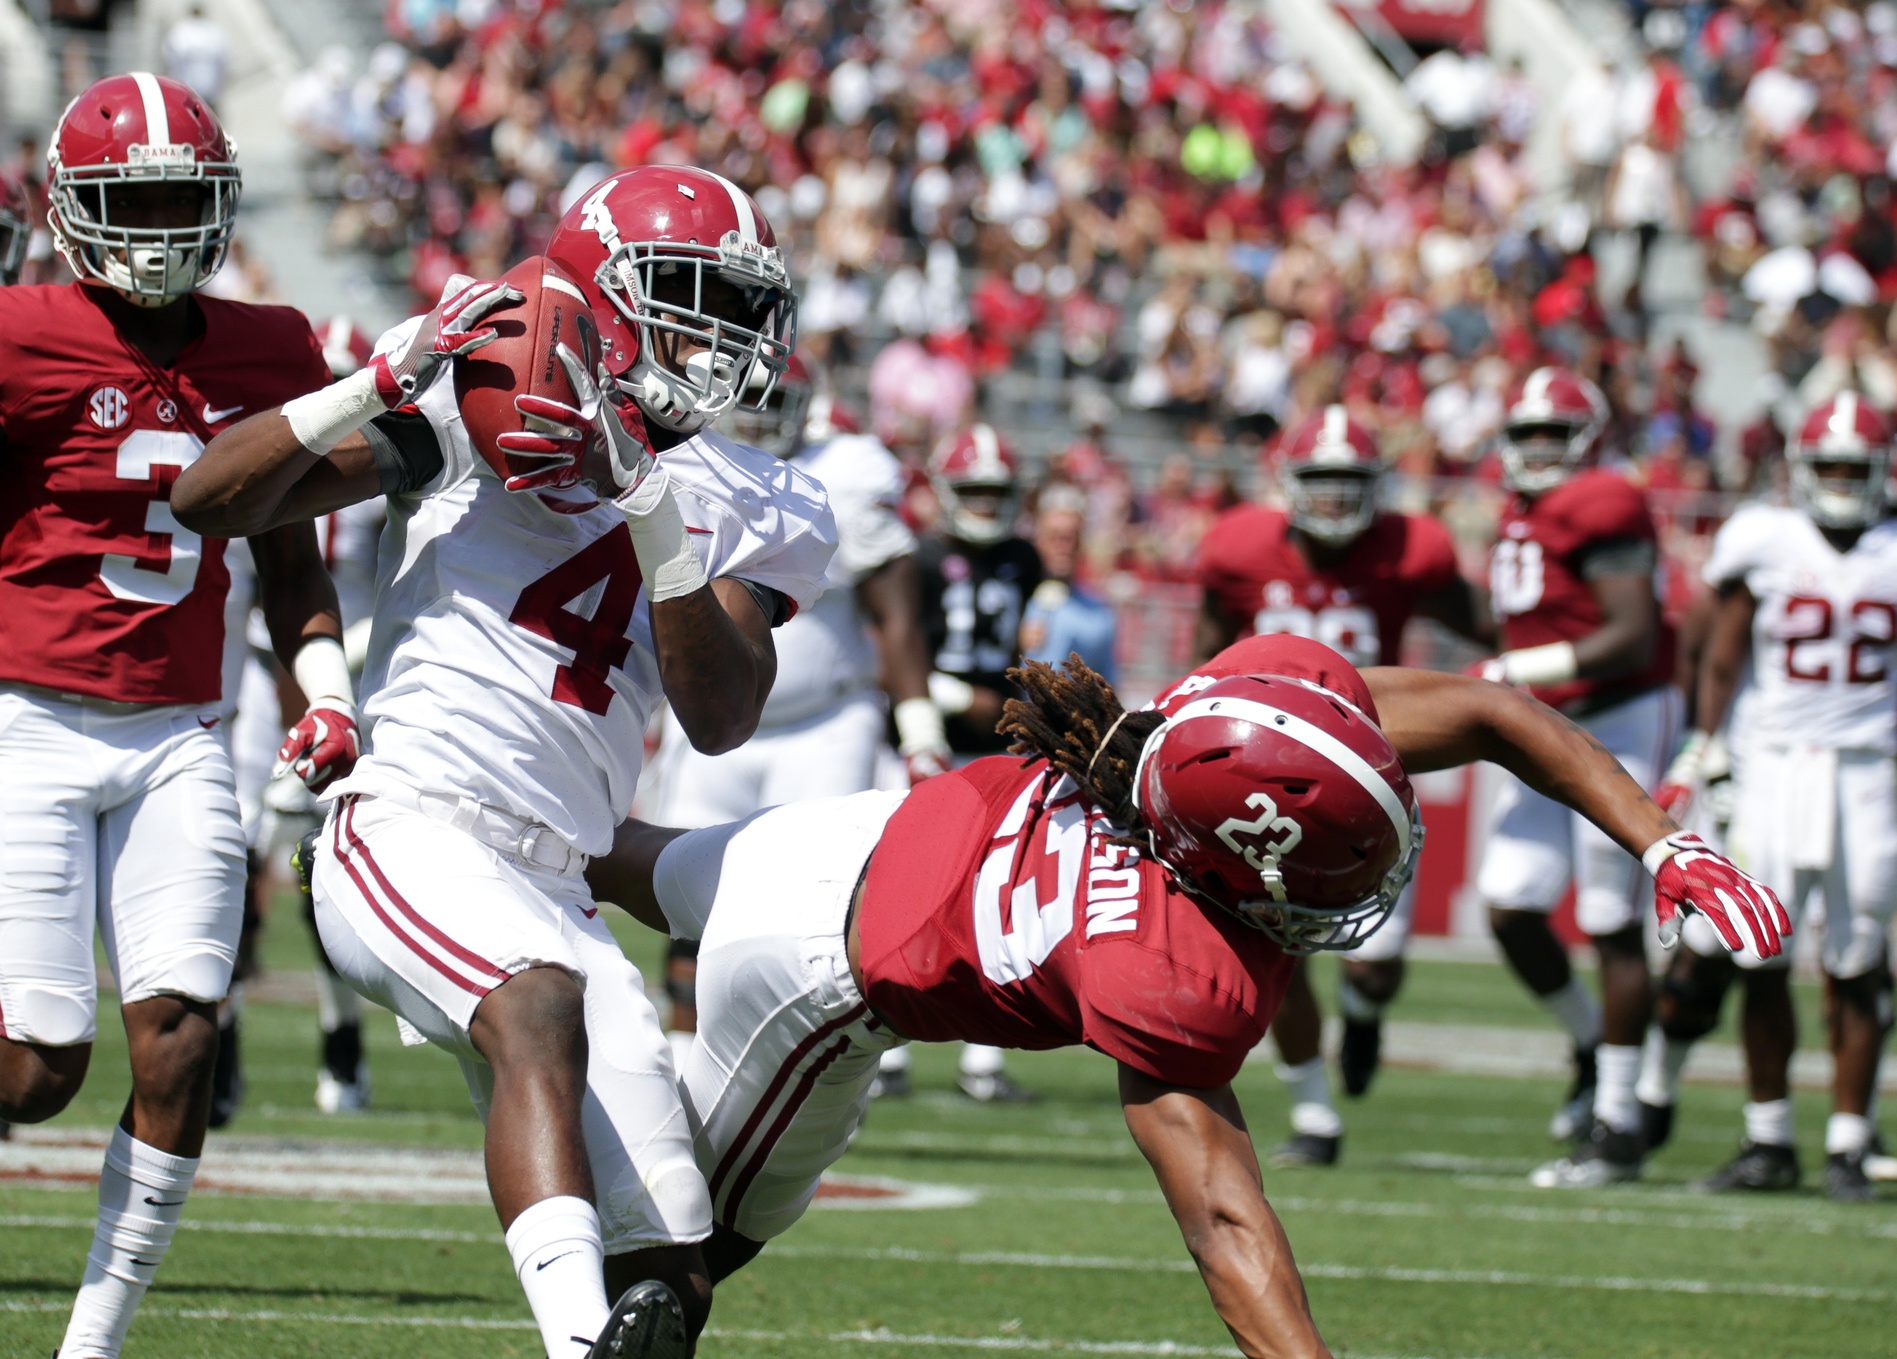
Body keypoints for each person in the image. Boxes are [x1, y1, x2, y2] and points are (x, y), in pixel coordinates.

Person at [586, 633, 1788, 1356]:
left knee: (611, 854)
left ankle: (413, 792)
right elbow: (1221, 1221)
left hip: (865, 833)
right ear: (1218, 869)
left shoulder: (1229, 718)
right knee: (673, 1275)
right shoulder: (1166, 968)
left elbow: (1489, 710)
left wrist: (1663, 844)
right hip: (816, 975)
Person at [172, 165, 836, 1359]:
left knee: (670, 1264)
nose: (726, 333)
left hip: (562, 876)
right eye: (692, 296)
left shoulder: (765, 497)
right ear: (605, 293)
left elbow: (721, 710)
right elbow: (211, 501)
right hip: (411, 822)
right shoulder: (481, 395)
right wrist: (371, 386)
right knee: (534, 1007)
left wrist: (649, 505)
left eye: (745, 306)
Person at [0, 73, 345, 1358]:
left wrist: (327, 696)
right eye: (129, 198)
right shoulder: (19, 331)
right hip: (23, 718)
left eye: (177, 200)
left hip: (179, 728)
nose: (153, 227)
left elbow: (295, 567)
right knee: (36, 1072)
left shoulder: (270, 345)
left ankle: (90, 1343)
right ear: (72, 205)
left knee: (184, 1038)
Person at [1195, 405, 1482, 1165]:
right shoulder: (1237, 548)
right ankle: (1315, 1114)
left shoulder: (1408, 551)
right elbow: (1203, 649)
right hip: (1257, 776)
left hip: (1367, 775)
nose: (1331, 495)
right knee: (1272, 948)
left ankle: (1361, 1009)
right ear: (1288, 482)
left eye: (1347, 479)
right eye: (1318, 478)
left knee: (1374, 963)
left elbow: (1489, 627)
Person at [649, 354, 949, 1069]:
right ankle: (685, 1045)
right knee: (680, 885)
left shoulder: (843, 475)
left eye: (774, 398)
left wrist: (920, 732)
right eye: (746, 395)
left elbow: (895, 618)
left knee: (827, 895)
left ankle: (847, 1049)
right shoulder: (685, 458)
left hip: (822, 723)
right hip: (708, 720)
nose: (757, 410)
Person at [1649, 392, 1897, 1202]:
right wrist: (1703, 741)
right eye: (1826, 465)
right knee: (1759, 952)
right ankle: (1768, 1137)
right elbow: (1719, 654)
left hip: (1870, 765)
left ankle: (1849, 1142)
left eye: (1851, 468)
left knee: (1857, 956)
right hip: (1772, 762)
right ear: (1800, 466)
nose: (1837, 480)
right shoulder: (1762, 535)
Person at [1473, 367, 1680, 1189]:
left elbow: (1631, 634)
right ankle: (1591, 1042)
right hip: (1542, 722)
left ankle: (1620, 1122)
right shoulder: (1523, 509)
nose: (1534, 451)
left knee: (1608, 915)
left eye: (1550, 435)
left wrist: (1517, 663)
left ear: (1586, 438)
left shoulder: (1603, 499)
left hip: (1620, 716)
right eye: (1523, 435)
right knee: (1513, 899)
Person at [906, 421, 1045, 1102]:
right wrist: (957, 695)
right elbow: (893, 652)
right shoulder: (921, 557)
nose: (986, 504)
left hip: (1002, 745)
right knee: (911, 889)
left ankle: (983, 1062)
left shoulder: (1025, 558)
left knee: (999, 895)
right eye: (974, 491)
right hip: (926, 737)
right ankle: (891, 1053)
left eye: (996, 491)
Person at [1019, 483, 1119, 681]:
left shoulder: (1098, 614)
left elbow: (1108, 682)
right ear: (1037, 539)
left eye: (1071, 538)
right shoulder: (1013, 601)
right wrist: (1014, 643)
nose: (1063, 547)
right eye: (1054, 537)